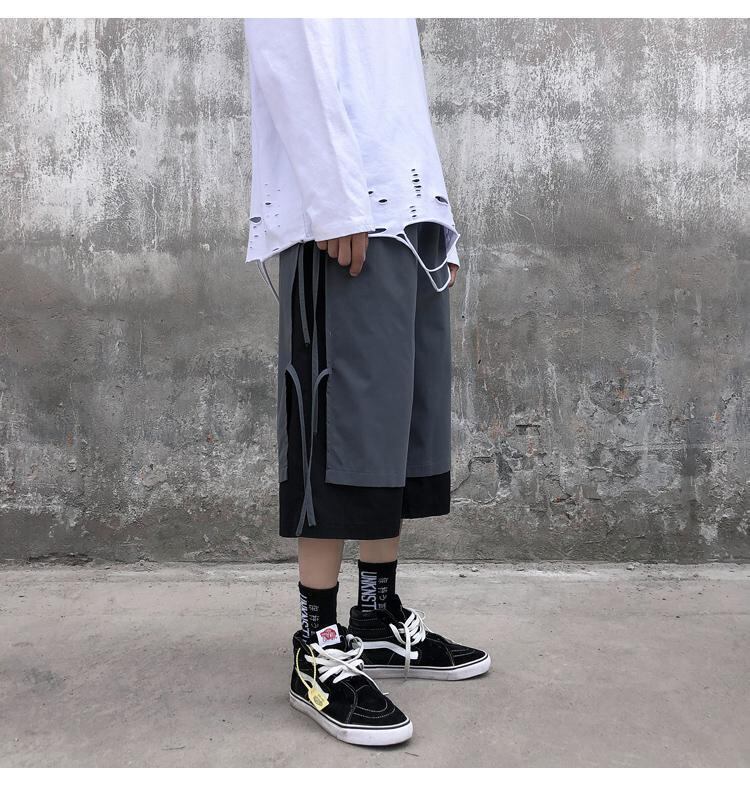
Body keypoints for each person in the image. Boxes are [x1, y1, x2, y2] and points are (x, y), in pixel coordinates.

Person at [244, 18, 490, 747]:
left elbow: (396, 83)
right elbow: (284, 44)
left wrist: (438, 211)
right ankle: (316, 647)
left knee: (393, 429)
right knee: (336, 429)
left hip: (407, 212)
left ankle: (377, 617)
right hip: (344, 210)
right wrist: (332, 198)